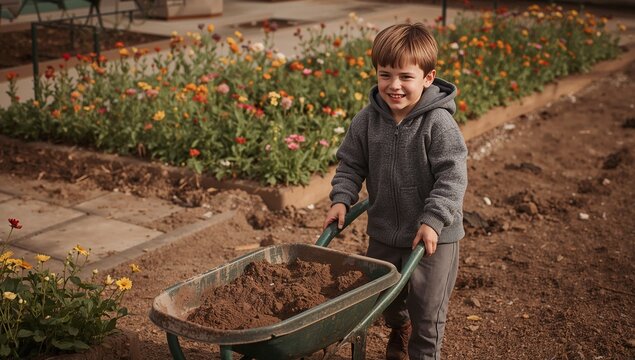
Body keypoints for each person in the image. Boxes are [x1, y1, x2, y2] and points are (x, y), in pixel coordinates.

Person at [322, 23, 468, 360]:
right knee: (386, 299)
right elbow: (350, 164)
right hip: (385, 230)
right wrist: (341, 199)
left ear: (428, 78)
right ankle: (399, 328)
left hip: (434, 236)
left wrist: (433, 220)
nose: (394, 85)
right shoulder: (366, 121)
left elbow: (453, 176)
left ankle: (422, 352)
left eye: (405, 76)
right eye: (385, 74)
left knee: (427, 310)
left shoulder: (438, 124)